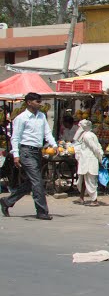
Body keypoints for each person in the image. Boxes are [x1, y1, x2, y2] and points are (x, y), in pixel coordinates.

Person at [0, 92, 58, 220]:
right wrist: (16, 155)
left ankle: (7, 201)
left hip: (37, 152)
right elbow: (15, 138)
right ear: (29, 102)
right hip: (26, 152)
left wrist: (54, 145)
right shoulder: (21, 118)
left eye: (39, 101)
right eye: (37, 101)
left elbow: (47, 133)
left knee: (32, 182)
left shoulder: (42, 116)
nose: (39, 103)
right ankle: (42, 211)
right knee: (37, 181)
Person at [73, 119, 104, 206]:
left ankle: (94, 200)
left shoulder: (87, 136)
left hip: (89, 160)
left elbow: (95, 148)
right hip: (85, 160)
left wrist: (100, 156)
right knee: (83, 180)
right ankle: (81, 197)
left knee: (91, 181)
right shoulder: (89, 135)